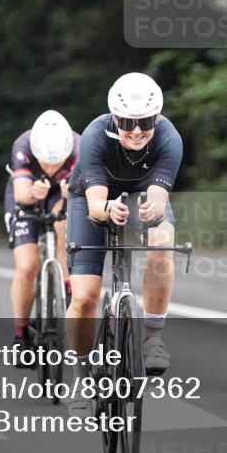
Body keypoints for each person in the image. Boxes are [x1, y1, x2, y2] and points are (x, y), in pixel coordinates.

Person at [64, 73, 183, 417]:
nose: (136, 130)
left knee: (163, 241)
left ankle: (152, 336)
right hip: (91, 198)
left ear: (156, 118)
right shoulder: (94, 137)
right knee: (84, 297)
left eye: (144, 122)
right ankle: (81, 376)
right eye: (128, 122)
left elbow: (159, 200)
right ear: (115, 118)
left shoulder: (169, 138)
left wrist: (152, 211)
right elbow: (96, 204)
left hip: (142, 195)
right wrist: (107, 210)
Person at [4, 110, 80, 366]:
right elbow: (22, 195)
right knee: (27, 266)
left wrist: (71, 193)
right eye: (44, 163)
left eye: (56, 162)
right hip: (28, 193)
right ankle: (21, 333)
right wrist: (33, 193)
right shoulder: (23, 145)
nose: (49, 168)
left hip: (62, 195)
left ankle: (67, 286)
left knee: (64, 222)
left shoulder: (80, 147)